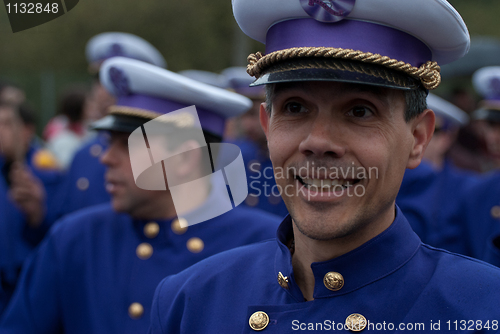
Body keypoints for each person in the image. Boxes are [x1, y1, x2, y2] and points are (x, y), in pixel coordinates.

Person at [149, 0, 500, 332]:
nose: (318, 142)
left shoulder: (483, 310)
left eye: (359, 111)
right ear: (268, 127)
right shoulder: (190, 302)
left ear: (418, 138)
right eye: (295, 108)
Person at [0, 57, 281, 333]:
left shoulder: (267, 245)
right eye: (109, 143)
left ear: (185, 159)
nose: (106, 158)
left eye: (128, 145)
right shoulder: (72, 240)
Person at [52, 32, 167, 220]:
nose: (106, 89)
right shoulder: (82, 157)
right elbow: (59, 223)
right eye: (101, 78)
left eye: (121, 79)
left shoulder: (165, 153)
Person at [0, 102, 61, 314]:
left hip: (33, 280)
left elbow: (59, 228)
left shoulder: (49, 171)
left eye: (7, 124)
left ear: (27, 130)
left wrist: (37, 214)